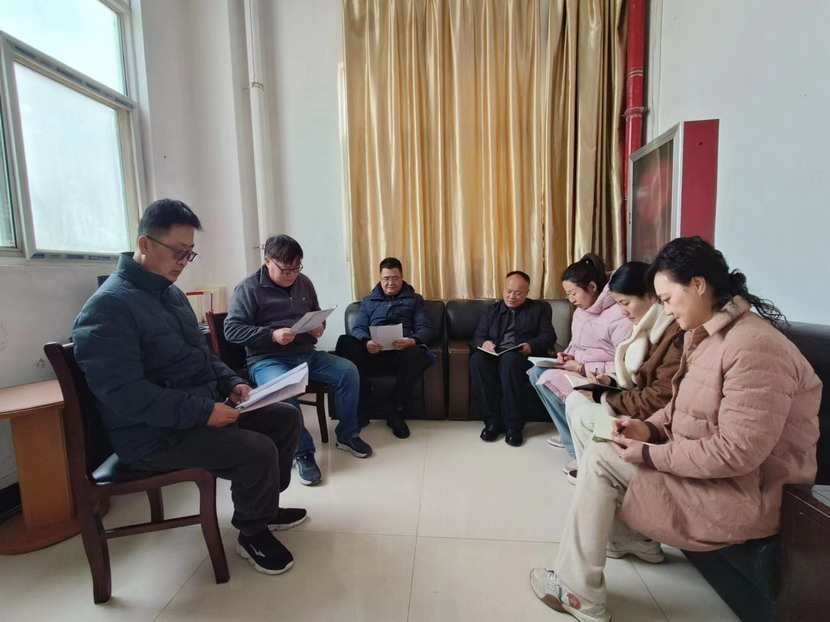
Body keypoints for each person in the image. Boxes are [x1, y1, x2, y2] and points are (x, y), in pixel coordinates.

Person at [529, 237, 822, 622]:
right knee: (608, 442)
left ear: (698, 285)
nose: (665, 309)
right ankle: (626, 545)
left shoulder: (756, 348)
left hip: (745, 495)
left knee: (601, 459)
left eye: (667, 299)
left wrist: (651, 454)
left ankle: (578, 591)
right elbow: (677, 406)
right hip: (717, 480)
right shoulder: (708, 336)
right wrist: (646, 429)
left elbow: (736, 452)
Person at [73, 199, 304, 577]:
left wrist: (232, 382)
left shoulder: (171, 294)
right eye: (178, 252)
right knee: (256, 449)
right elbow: (125, 395)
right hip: (151, 435)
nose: (183, 262)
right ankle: (252, 531)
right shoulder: (109, 307)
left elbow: (202, 356)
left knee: (283, 417)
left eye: (189, 253)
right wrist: (204, 411)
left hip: (191, 414)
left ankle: (264, 508)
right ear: (144, 244)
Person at [225, 234, 370, 487]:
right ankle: (302, 452)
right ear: (268, 261)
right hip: (268, 359)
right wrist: (271, 334)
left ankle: (347, 435)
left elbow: (315, 314)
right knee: (286, 388)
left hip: (307, 354)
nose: (292, 275)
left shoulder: (304, 282)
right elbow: (232, 330)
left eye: (296, 268)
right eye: (286, 269)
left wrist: (319, 328)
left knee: (348, 371)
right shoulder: (248, 288)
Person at [561, 261, 682, 483]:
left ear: (651, 296)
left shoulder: (674, 334)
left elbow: (658, 397)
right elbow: (638, 378)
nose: (623, 312)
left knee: (583, 415)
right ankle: (589, 465)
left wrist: (605, 395)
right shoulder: (646, 327)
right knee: (574, 399)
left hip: (653, 415)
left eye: (626, 303)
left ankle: (603, 471)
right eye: (618, 304)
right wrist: (610, 381)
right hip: (638, 398)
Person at [529, 254, 630, 473]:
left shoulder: (619, 314)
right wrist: (566, 356)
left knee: (546, 379)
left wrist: (582, 368)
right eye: (567, 294)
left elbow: (623, 365)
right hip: (578, 368)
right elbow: (576, 344)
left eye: (573, 293)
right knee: (537, 372)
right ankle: (569, 434)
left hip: (600, 376)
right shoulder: (581, 312)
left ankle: (577, 450)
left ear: (592, 287)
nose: (571, 299)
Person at [335, 257, 435, 439]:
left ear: (402, 277)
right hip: (374, 352)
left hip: (401, 354)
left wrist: (412, 341)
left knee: (416, 352)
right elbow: (358, 328)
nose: (390, 283)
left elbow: (426, 328)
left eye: (395, 278)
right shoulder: (368, 301)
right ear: (380, 278)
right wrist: (366, 342)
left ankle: (395, 411)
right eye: (386, 278)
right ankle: (362, 408)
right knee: (345, 342)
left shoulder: (415, 300)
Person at [470, 271, 557, 447]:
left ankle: (513, 426)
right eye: (508, 291)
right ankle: (492, 423)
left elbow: (549, 336)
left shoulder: (538, 309)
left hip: (520, 357)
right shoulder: (492, 311)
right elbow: (478, 336)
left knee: (510, 361)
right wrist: (484, 343)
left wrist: (531, 345)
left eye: (518, 293)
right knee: (477, 360)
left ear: (527, 292)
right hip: (495, 355)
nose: (512, 296)